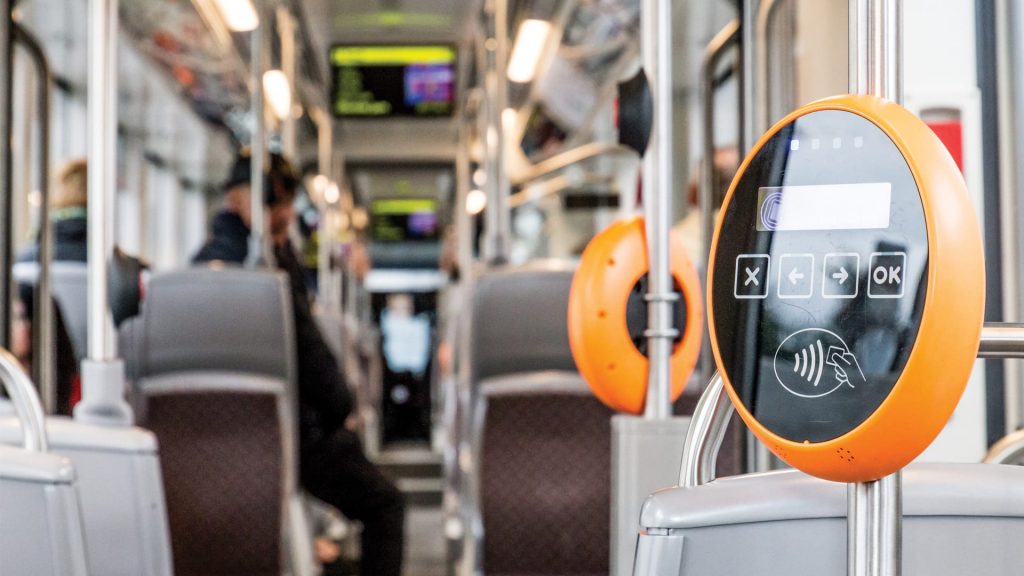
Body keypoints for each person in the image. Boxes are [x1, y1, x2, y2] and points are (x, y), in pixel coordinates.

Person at [192, 150, 405, 576]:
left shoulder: (201, 268)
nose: (285, 215)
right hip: (291, 435)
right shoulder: (269, 270)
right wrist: (341, 407)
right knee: (385, 505)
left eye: (289, 203)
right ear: (237, 198)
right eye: (274, 203)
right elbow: (306, 354)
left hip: (213, 441)